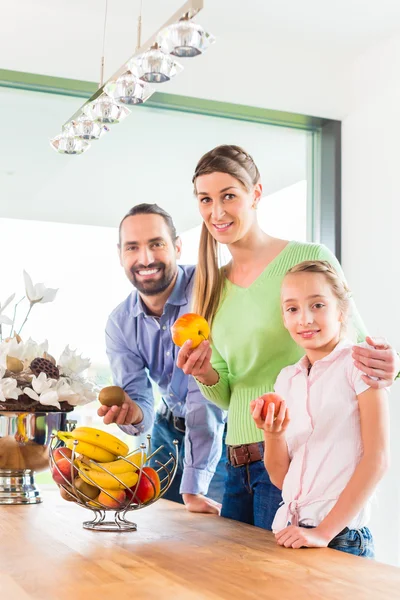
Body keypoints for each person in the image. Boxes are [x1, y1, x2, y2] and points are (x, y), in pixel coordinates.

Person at [177, 144, 399, 529]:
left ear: (256, 194)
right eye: (205, 199)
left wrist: (390, 366)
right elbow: (228, 392)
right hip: (236, 462)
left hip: (290, 459)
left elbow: (359, 350)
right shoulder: (212, 283)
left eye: (229, 196)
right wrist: (204, 374)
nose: (217, 212)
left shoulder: (307, 257)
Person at [250, 260, 390, 558]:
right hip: (293, 532)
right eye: (292, 309)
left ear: (341, 311)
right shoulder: (287, 379)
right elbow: (280, 476)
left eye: (317, 305)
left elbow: (377, 460)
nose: (304, 319)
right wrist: (272, 434)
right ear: (284, 318)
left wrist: (324, 532)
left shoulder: (360, 365)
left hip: (340, 538)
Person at [98, 203, 227, 514]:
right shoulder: (120, 324)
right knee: (160, 537)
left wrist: (194, 485)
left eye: (156, 244)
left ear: (177, 247)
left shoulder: (209, 292)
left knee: (223, 542)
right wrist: (134, 416)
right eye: (133, 247)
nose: (146, 259)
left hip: (224, 435)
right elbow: (140, 399)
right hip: (167, 434)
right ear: (120, 255)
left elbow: (204, 399)